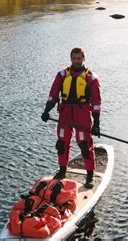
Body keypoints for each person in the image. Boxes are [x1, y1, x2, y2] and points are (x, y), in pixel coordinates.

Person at [41, 47, 101, 188]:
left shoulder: (91, 78)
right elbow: (53, 95)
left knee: (84, 145)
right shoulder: (62, 75)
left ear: (83, 59)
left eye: (79, 58)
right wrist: (46, 111)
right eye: (74, 58)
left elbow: (97, 103)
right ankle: (62, 171)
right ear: (71, 58)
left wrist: (96, 124)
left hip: (83, 114)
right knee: (62, 143)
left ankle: (90, 176)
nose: (76, 61)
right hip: (65, 114)